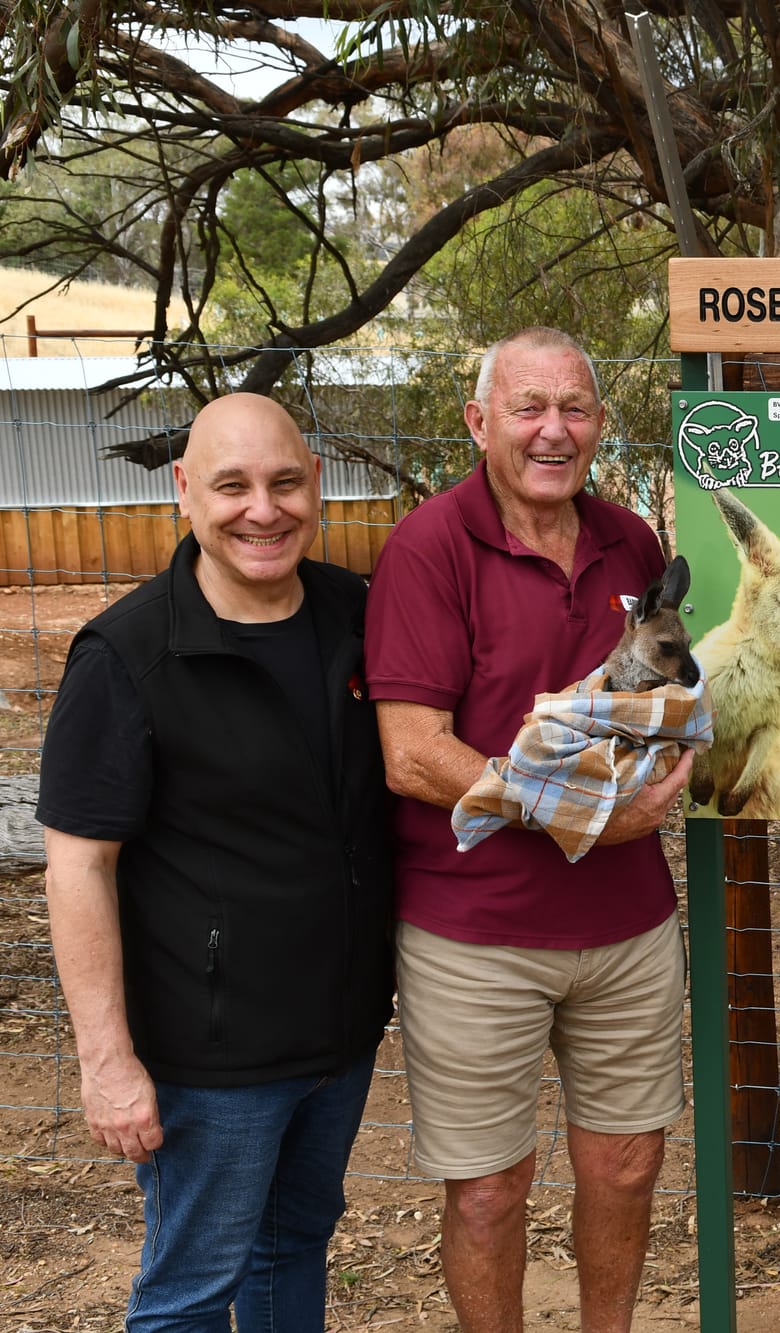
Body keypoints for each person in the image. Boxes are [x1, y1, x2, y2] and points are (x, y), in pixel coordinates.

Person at [39, 393, 395, 1331]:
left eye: (284, 482)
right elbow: (77, 865)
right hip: (213, 1057)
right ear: (183, 493)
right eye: (231, 485)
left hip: (339, 1036)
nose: (262, 509)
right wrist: (106, 1060)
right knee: (192, 1286)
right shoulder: (128, 655)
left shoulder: (354, 615)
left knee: (293, 1247)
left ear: (318, 484)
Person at [364, 327, 696, 1333]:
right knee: (487, 1186)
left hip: (626, 923)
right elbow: (412, 753)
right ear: (478, 421)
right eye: (528, 407)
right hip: (476, 929)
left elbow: (657, 692)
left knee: (628, 1165)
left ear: (597, 425)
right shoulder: (428, 547)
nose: (553, 430)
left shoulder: (630, 543)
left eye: (574, 409)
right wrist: (586, 809)